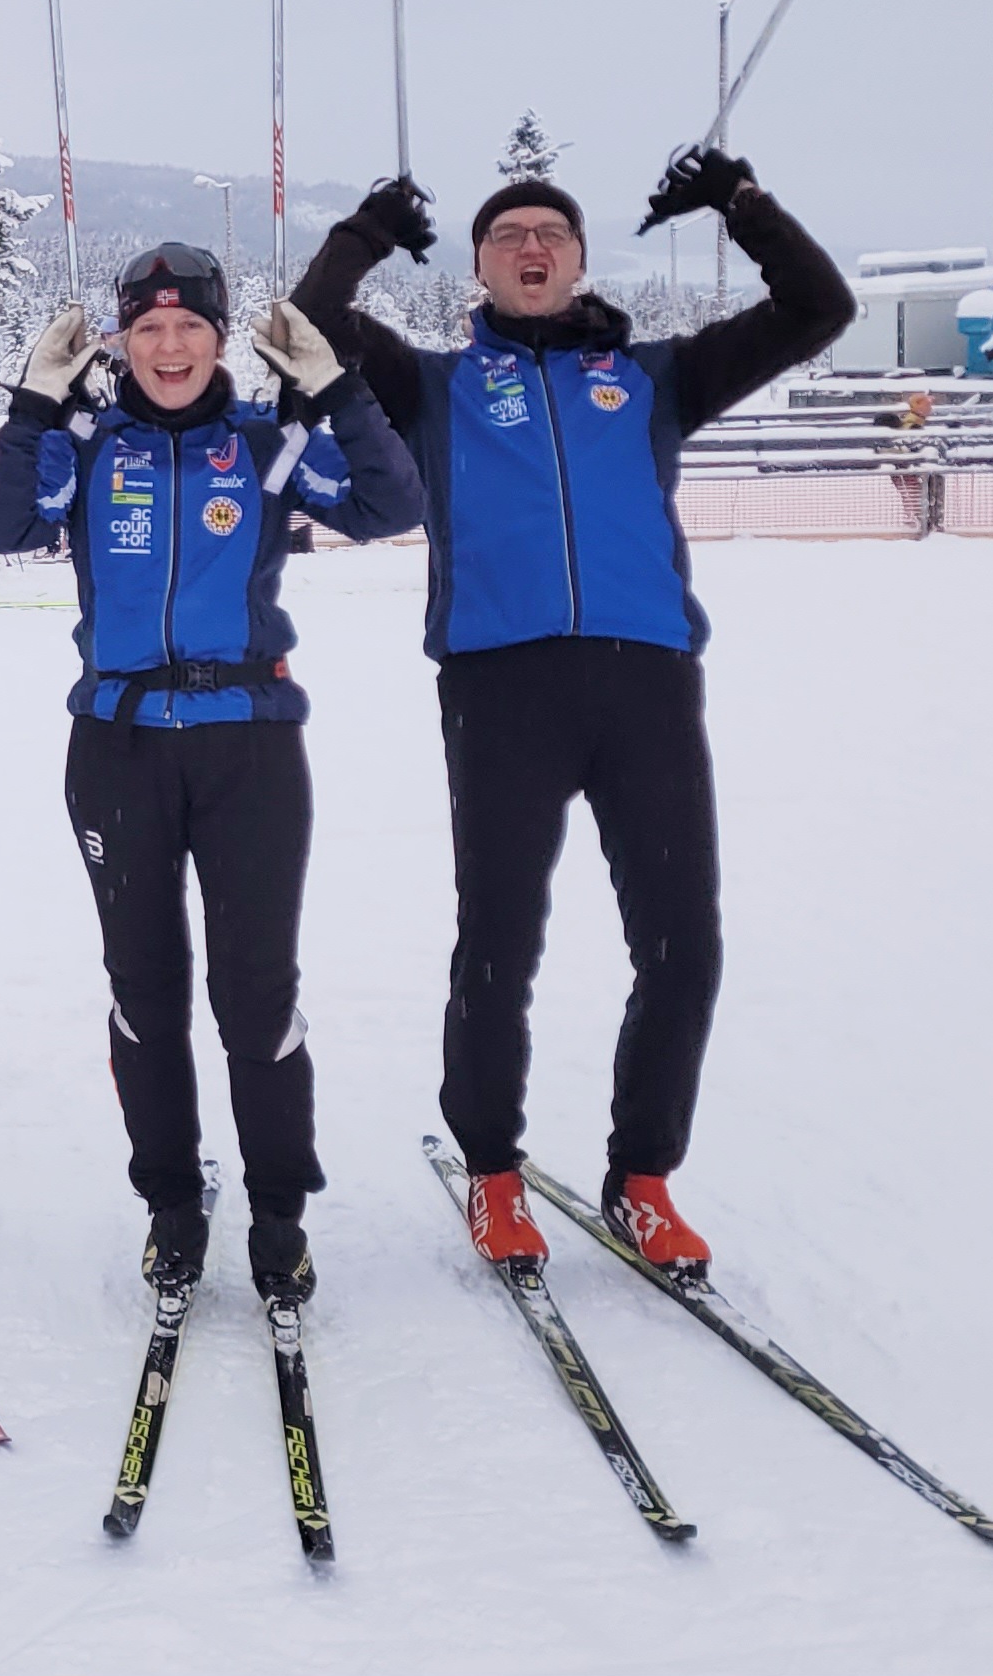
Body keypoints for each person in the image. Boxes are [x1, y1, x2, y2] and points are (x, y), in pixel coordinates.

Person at [289, 150, 855, 1271]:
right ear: (481, 267)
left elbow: (818, 306)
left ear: (582, 258)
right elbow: (308, 320)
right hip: (500, 685)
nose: (531, 246)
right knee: (500, 942)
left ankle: (641, 1177)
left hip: (645, 682)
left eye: (550, 231)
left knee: (681, 942)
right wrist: (364, 228)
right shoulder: (438, 384)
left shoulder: (657, 375)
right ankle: (493, 1172)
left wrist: (742, 205)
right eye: (507, 235)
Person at [0, 245, 424, 1303]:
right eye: (148, 329)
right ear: (123, 341)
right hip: (119, 746)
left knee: (255, 992)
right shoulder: (88, 446)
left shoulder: (265, 444)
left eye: (189, 327)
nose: (169, 347)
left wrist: (336, 387)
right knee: (145, 989)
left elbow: (390, 503)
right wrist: (37, 404)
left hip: (249, 747)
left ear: (221, 338)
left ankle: (277, 1212)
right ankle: (172, 1203)